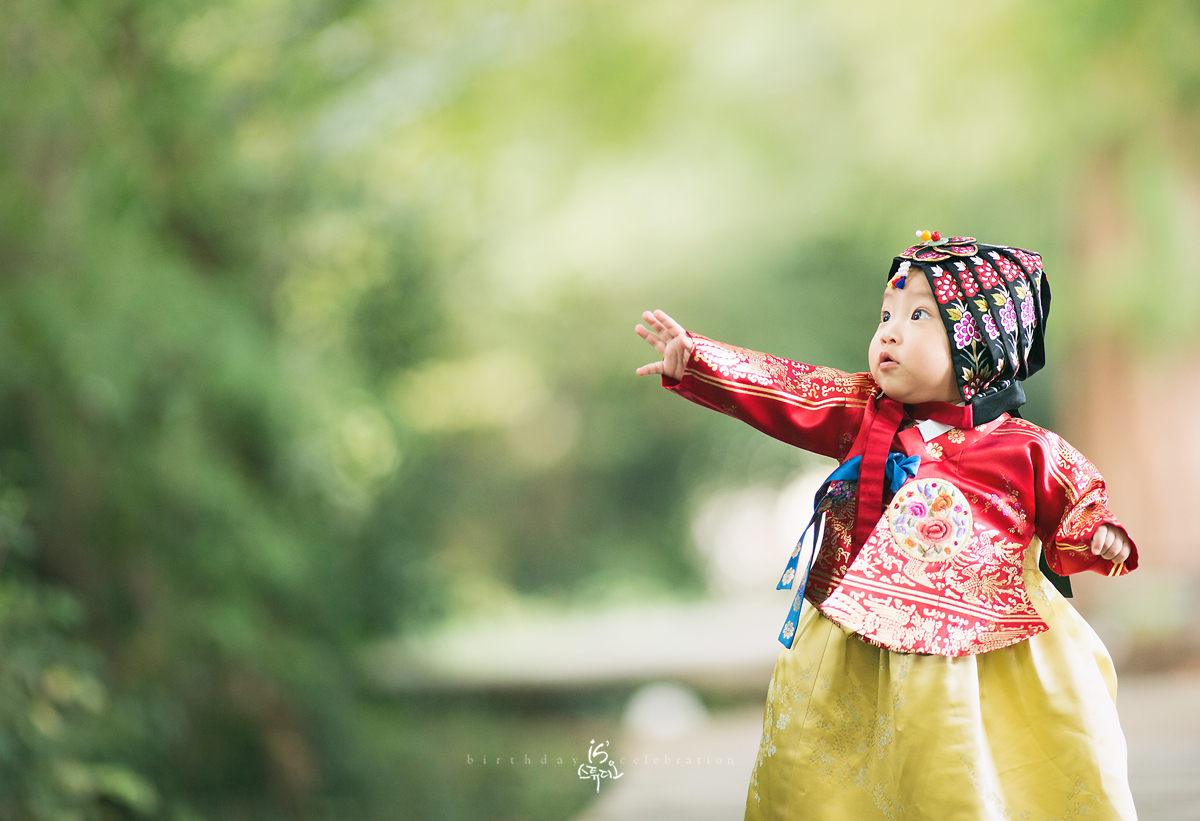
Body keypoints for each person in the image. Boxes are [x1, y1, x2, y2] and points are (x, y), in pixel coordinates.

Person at [634, 233, 1138, 820]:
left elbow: (1078, 497)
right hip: (856, 634)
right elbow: (791, 387)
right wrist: (699, 360)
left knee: (965, 761)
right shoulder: (865, 412)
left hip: (988, 644)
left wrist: (1097, 533)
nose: (890, 333)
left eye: (919, 315)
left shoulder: (1025, 446)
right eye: (886, 315)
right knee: (829, 768)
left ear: (981, 341)